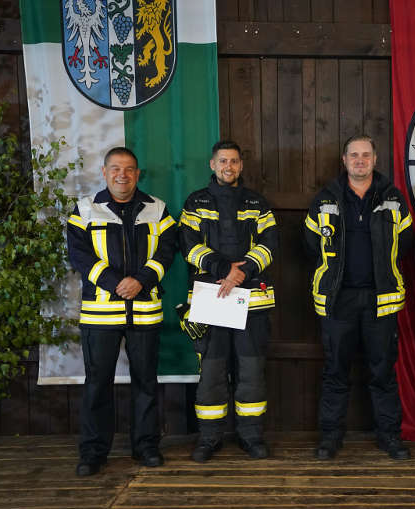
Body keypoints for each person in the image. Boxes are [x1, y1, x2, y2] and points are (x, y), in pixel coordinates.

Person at [67, 147, 177, 476]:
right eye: (115, 168)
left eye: (129, 169)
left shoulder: (157, 209)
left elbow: (168, 251)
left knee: (146, 382)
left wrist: (141, 281)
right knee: (97, 384)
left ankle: (146, 447)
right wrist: (117, 283)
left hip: (144, 312)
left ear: (138, 174)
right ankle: (93, 452)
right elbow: (79, 256)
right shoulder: (84, 210)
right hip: (101, 315)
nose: (122, 175)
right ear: (104, 172)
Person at [304, 134, 413, 460]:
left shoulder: (393, 197)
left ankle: (390, 437)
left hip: (382, 299)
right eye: (354, 155)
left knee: (382, 372)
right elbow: (311, 242)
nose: (360, 161)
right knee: (335, 371)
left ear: (375, 159)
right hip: (339, 300)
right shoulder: (325, 199)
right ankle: (330, 439)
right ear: (344, 159)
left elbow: (405, 242)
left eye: (366, 155)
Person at [178, 140, 278, 461]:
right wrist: (223, 269)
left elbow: (270, 243)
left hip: (252, 302)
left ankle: (251, 437)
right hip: (211, 300)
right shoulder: (196, 202)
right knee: (211, 373)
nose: (228, 167)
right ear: (212, 165)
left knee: (250, 373)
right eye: (223, 161)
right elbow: (188, 245)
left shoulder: (257, 203)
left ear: (241, 166)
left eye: (234, 161)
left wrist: (243, 271)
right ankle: (209, 438)